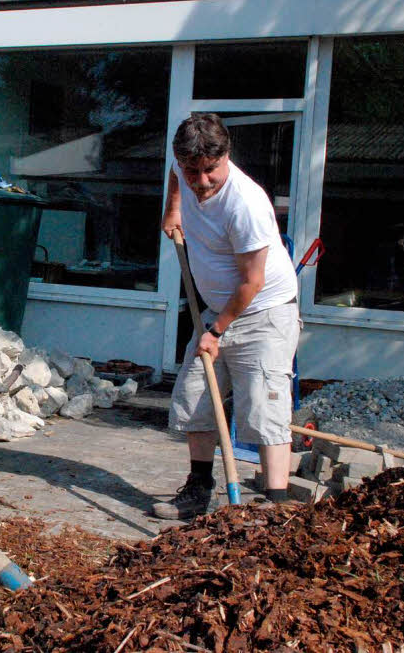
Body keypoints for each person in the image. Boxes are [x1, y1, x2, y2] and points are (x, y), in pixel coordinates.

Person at [155, 114, 299, 520]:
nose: (200, 180)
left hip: (264, 312)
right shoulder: (183, 168)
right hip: (216, 310)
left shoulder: (246, 203)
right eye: (192, 171)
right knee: (194, 397)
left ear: (226, 157)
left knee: (264, 407)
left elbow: (252, 282)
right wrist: (174, 211)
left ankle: (275, 509)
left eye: (210, 171)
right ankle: (198, 491)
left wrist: (216, 331)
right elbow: (174, 176)